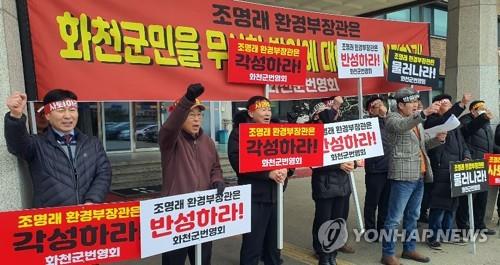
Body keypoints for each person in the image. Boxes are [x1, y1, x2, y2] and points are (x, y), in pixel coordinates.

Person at [4, 89, 111, 207]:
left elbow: (104, 174)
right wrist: (15, 116)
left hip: (86, 215)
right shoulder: (36, 144)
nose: (67, 116)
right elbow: (16, 145)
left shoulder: (93, 144)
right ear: (48, 115)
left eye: (72, 110)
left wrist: (92, 201)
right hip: (52, 219)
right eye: (61, 111)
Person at [159, 83, 225, 265]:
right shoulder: (170, 141)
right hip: (176, 215)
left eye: (199, 115)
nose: (197, 120)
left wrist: (217, 180)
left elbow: (216, 168)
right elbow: (169, 128)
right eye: (191, 115)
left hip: (202, 213)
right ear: (179, 117)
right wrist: (186, 100)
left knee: (202, 260)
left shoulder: (208, 142)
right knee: (173, 260)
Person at [381, 87, 446, 265]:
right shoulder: (393, 118)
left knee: (413, 216)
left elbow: (421, 144)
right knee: (394, 218)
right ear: (400, 105)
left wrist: (438, 139)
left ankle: (409, 249)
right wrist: (424, 113)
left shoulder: (416, 121)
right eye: (412, 102)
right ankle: (387, 253)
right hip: (402, 176)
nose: (416, 104)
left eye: (417, 101)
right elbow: (402, 126)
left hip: (420, 174)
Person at [228, 96, 288, 265]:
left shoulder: (278, 130)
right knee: (252, 245)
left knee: (274, 245)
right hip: (253, 197)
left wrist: (287, 170)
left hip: (275, 196)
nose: (267, 113)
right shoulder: (239, 133)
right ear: (251, 112)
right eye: (262, 110)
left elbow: (291, 155)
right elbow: (238, 161)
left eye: (269, 109)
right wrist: (267, 173)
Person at [310, 97, 355, 265]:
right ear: (317, 115)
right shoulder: (312, 130)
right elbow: (314, 162)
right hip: (325, 185)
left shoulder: (342, 131)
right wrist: (338, 164)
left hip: (343, 186)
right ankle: (323, 254)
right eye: (328, 113)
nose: (334, 116)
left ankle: (332, 254)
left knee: (338, 220)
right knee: (324, 221)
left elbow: (355, 153)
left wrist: (353, 162)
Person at [424, 93, 471, 249]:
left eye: (449, 103)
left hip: (456, 168)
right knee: (438, 205)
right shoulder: (433, 121)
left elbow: (463, 144)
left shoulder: (455, 123)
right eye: (444, 102)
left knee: (452, 205)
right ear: (437, 106)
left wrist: (466, 156)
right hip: (441, 169)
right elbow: (445, 119)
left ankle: (448, 234)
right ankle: (433, 237)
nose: (447, 105)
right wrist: (461, 104)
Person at [456, 100, 497, 235]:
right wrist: (481, 118)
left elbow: (490, 143)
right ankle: (464, 226)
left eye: (485, 108)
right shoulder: (466, 120)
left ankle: (480, 225)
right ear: (473, 110)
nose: (484, 110)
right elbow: (467, 131)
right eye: (481, 109)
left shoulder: (485, 124)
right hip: (471, 164)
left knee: (482, 198)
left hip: (484, 164)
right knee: (467, 198)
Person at [363, 96, 390, 241]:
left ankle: (382, 228)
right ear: (370, 110)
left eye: (381, 104)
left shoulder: (388, 121)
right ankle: (370, 230)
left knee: (385, 202)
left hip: (389, 168)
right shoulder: (367, 123)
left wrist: (385, 116)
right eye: (376, 106)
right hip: (375, 169)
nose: (380, 107)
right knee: (372, 201)